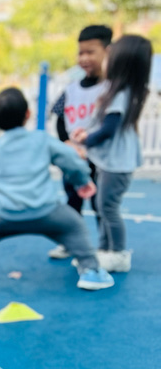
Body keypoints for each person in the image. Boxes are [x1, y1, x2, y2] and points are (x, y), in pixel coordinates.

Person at [0, 87, 114, 291]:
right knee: (75, 226)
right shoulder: (40, 139)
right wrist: (81, 180)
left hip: (5, 215)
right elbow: (71, 159)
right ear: (27, 115)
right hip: (47, 212)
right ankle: (91, 271)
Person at [71, 34, 153, 274]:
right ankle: (105, 250)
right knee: (103, 205)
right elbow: (103, 124)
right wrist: (86, 132)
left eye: (108, 58)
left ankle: (117, 253)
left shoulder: (120, 93)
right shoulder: (121, 92)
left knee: (108, 207)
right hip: (113, 162)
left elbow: (108, 129)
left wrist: (86, 140)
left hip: (117, 164)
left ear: (120, 64)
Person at [48, 24, 113, 258]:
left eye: (90, 52)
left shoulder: (111, 88)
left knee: (101, 204)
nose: (84, 58)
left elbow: (112, 124)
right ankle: (70, 243)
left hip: (100, 159)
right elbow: (59, 118)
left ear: (107, 51)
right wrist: (66, 143)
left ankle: (106, 247)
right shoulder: (71, 89)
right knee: (72, 202)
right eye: (80, 52)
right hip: (74, 159)